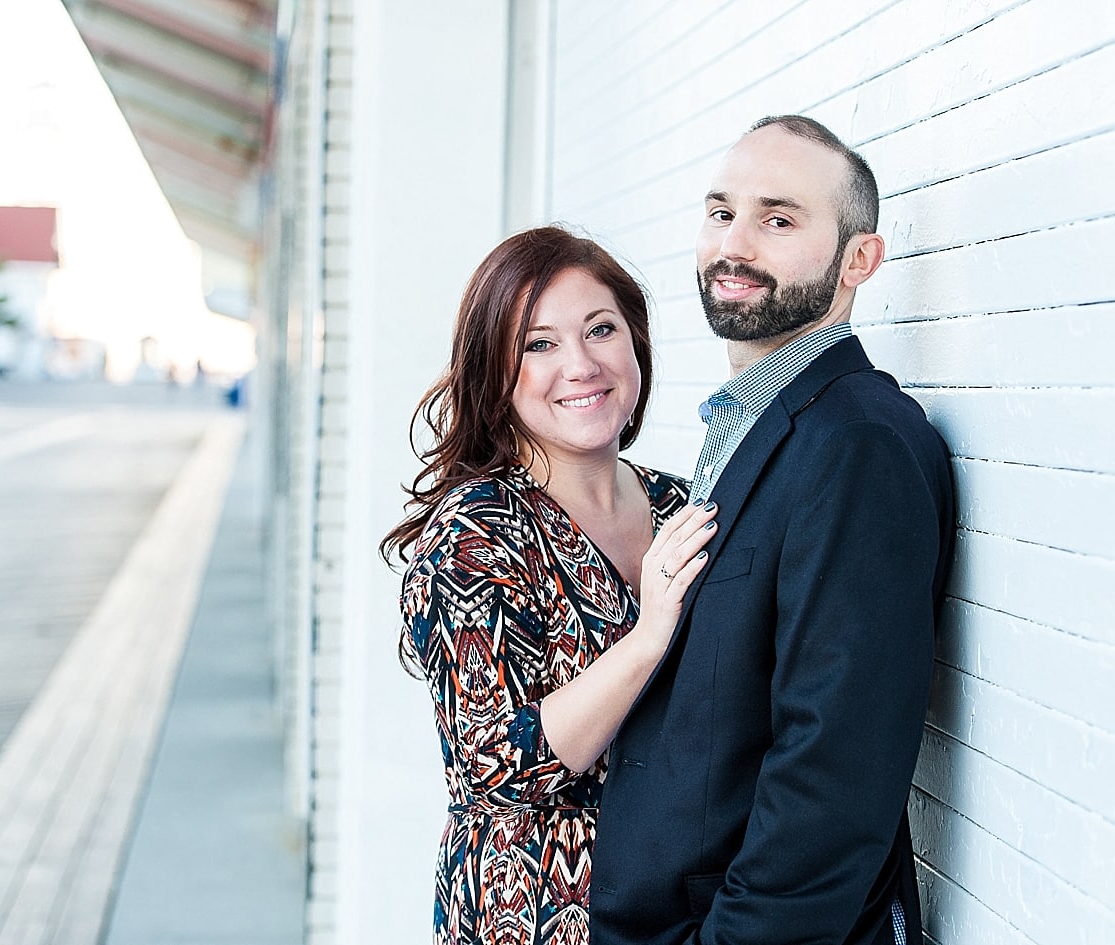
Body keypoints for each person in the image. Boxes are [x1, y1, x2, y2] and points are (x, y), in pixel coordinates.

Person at [589, 116, 956, 945]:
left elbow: (834, 771)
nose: (736, 244)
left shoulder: (859, 445)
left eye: (779, 220)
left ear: (860, 260)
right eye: (722, 213)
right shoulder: (751, 429)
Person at [382, 225, 720, 945]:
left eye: (601, 329)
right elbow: (492, 766)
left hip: (680, 911)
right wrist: (648, 634)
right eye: (539, 344)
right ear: (494, 372)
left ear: (637, 344)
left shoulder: (682, 506)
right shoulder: (475, 536)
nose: (581, 364)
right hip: (536, 914)